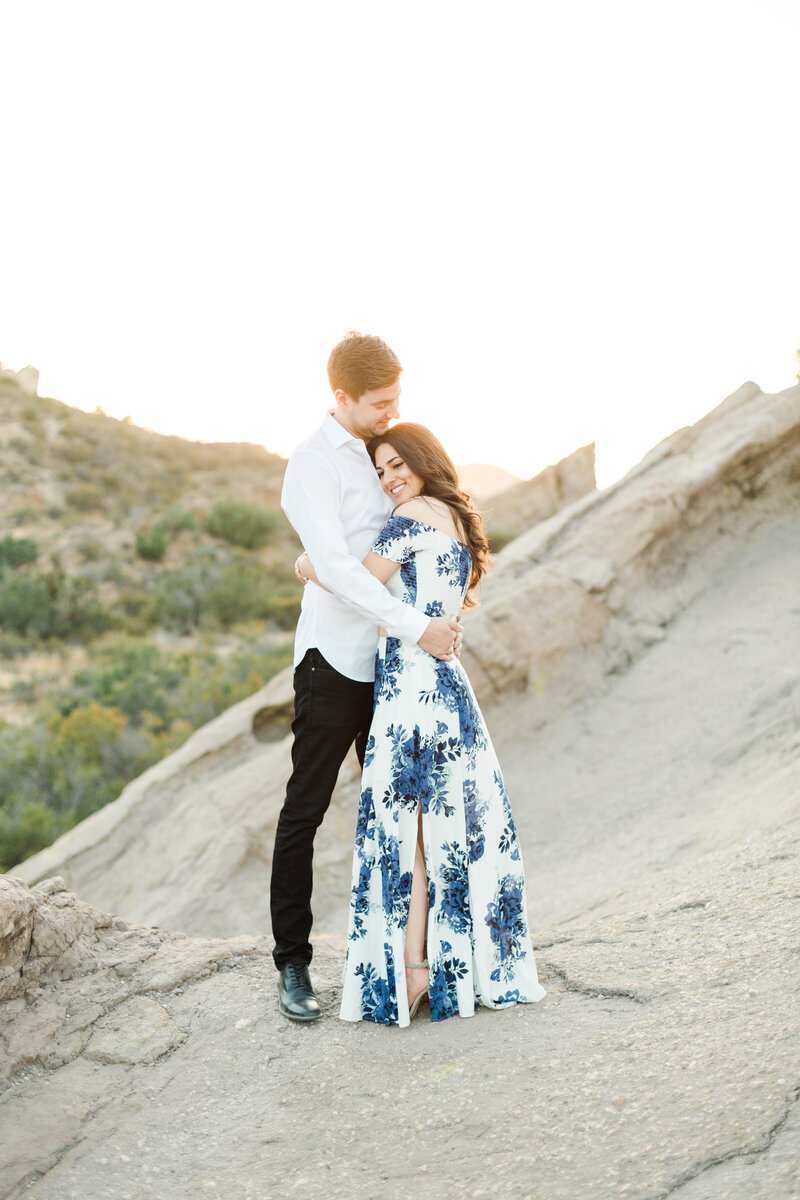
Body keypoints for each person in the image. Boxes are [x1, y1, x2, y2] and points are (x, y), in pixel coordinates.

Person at [297, 423, 547, 1025]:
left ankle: (412, 970)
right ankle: (450, 965)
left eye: (396, 464)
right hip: (443, 684)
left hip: (412, 685)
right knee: (450, 822)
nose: (389, 479)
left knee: (404, 826)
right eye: (380, 471)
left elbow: (357, 582)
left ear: (423, 459)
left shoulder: (413, 516)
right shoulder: (454, 518)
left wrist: (308, 564)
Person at [271, 332, 462, 1022]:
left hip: (394, 667)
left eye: (397, 399)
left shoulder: (390, 456)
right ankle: (292, 964)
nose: (390, 411)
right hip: (333, 661)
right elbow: (340, 568)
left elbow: (414, 537)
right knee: (307, 809)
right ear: (341, 396)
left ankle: (410, 957)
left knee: (400, 811)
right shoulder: (311, 465)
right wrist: (418, 626)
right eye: (379, 402)